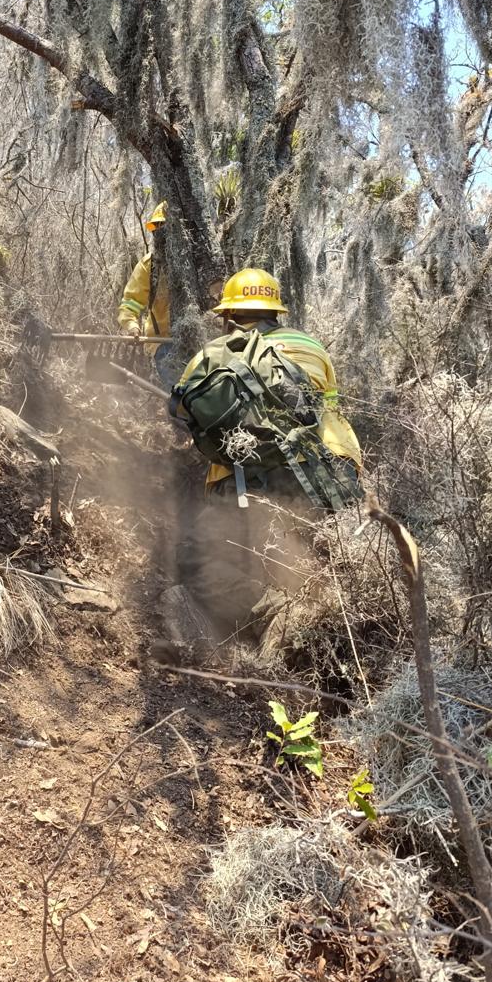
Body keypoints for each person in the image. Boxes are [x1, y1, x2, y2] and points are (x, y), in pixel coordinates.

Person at [173, 267, 362, 656]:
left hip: (253, 479)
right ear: (276, 311)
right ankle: (330, 635)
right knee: (318, 563)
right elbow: (329, 405)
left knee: (197, 561)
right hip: (331, 471)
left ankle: (277, 614)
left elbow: (179, 407)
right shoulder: (313, 347)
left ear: (228, 315)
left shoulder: (215, 352)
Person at [117, 202, 180, 387]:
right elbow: (130, 302)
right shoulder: (149, 265)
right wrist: (131, 325)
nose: (160, 233)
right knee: (178, 391)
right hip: (162, 341)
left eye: (164, 227)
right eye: (157, 228)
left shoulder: (199, 262)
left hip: (200, 342)